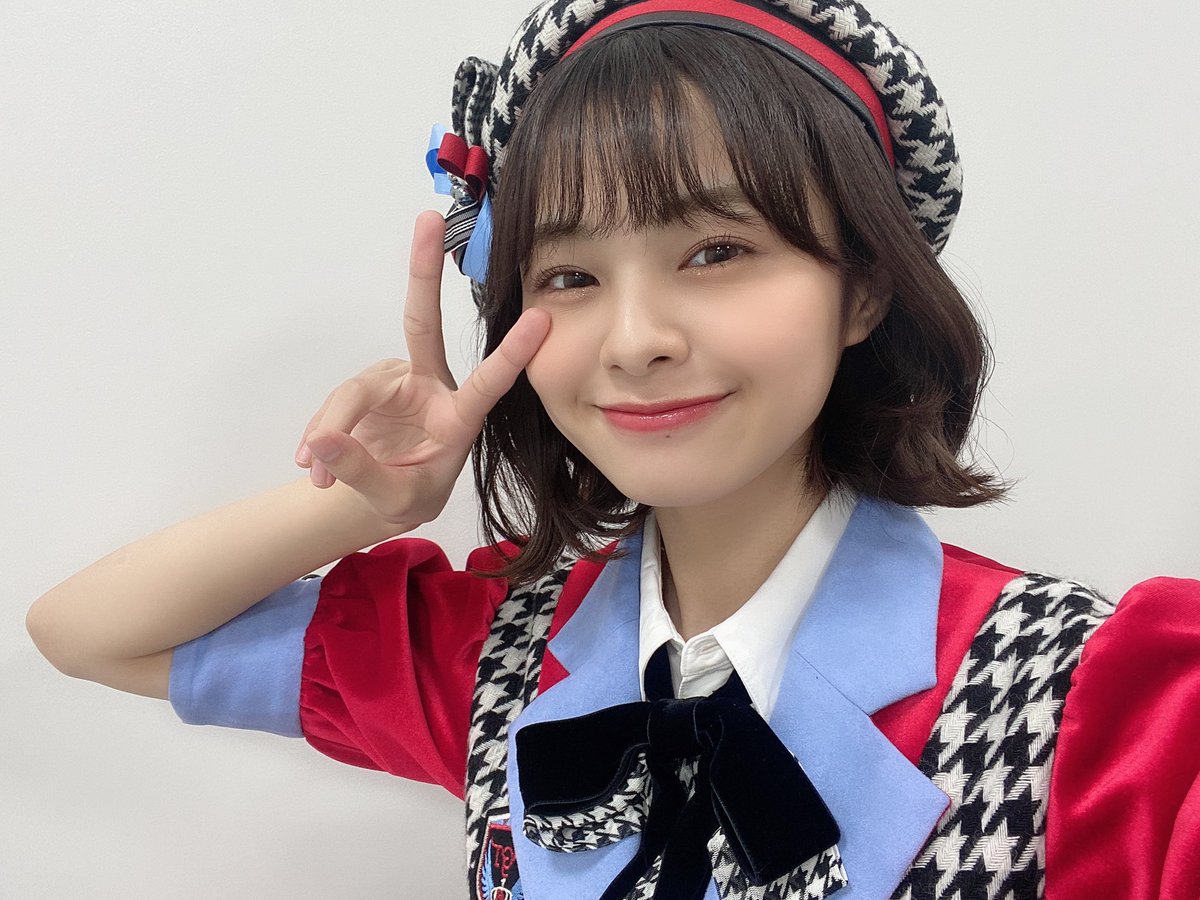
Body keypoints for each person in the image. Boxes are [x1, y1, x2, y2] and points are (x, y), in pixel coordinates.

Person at [26, 0, 1200, 898]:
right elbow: (86, 633)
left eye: (717, 252)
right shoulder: (499, 656)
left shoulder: (1117, 705)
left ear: (863, 289)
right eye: (570, 276)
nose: (635, 341)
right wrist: (366, 505)